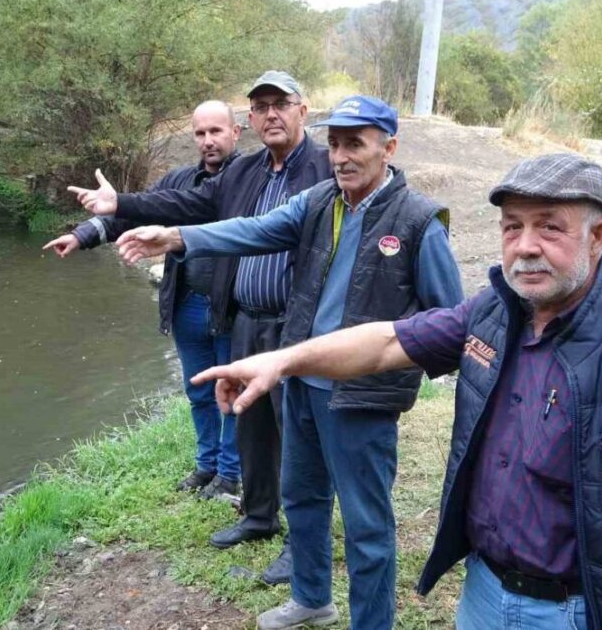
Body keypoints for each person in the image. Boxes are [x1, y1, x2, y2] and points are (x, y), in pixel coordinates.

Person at [192, 153, 602, 630]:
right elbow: (387, 344)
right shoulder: (493, 311)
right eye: (512, 226)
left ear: (600, 236)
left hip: (590, 609)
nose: (525, 245)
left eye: (550, 226)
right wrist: (284, 361)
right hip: (484, 594)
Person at [115, 95, 464, 630]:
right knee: (301, 497)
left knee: (367, 524)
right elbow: (252, 230)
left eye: (356, 144)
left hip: (362, 396)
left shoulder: (418, 222)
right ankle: (312, 598)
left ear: (389, 147)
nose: (342, 156)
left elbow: (446, 323)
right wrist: (179, 237)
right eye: (335, 144)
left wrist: (394, 364)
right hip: (299, 378)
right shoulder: (321, 200)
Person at [67, 71, 333, 584]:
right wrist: (119, 205)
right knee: (252, 425)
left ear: (303, 110)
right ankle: (259, 516)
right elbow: (185, 203)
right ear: (250, 120)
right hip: (249, 320)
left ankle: (304, 546)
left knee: (301, 439)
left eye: (282, 103)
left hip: (302, 326)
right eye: (261, 106)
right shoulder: (246, 172)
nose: (271, 114)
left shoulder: (326, 167)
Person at [45, 100, 243, 499]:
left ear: (235, 133)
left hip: (232, 307)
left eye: (216, 131)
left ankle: (230, 472)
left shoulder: (247, 180)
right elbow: (133, 213)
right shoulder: (178, 179)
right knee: (198, 390)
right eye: (200, 133)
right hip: (186, 302)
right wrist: (82, 235)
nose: (208, 141)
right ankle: (206, 466)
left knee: (233, 390)